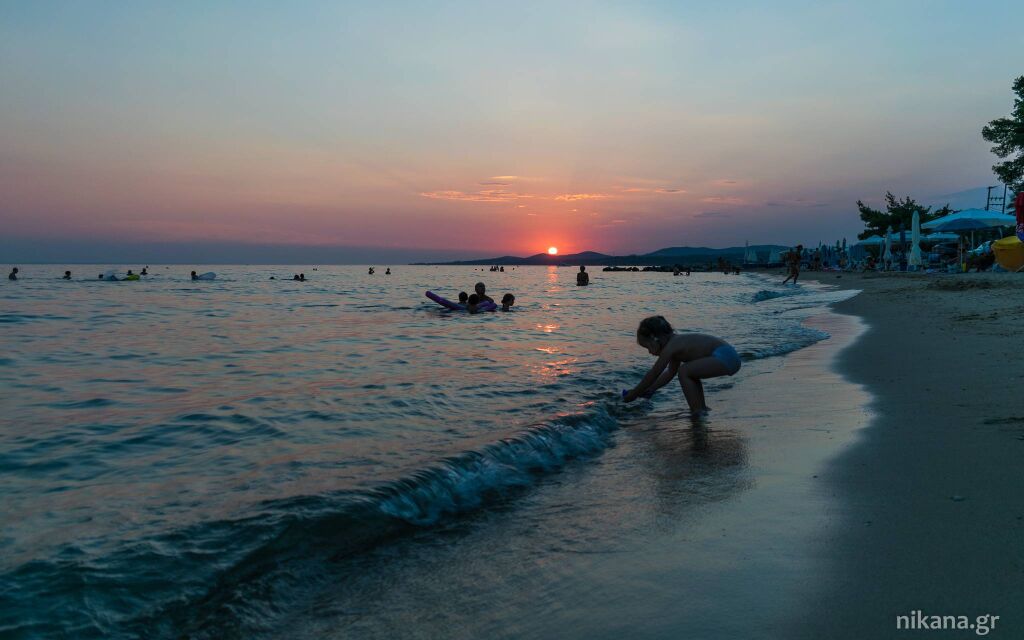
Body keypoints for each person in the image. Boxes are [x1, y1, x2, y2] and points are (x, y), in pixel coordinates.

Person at [623, 316, 741, 416]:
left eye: (648, 347)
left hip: (724, 356)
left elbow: (654, 373)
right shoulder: (675, 346)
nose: (649, 352)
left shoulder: (671, 347)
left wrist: (634, 393)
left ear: (655, 339)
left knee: (684, 371)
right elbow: (670, 373)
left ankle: (697, 410)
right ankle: (701, 409)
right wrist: (651, 389)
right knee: (689, 372)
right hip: (728, 355)